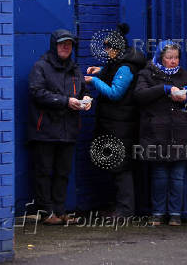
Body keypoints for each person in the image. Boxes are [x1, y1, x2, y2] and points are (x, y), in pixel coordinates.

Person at [134, 40, 187, 226]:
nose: (173, 61)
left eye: (176, 57)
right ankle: (157, 213)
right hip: (156, 132)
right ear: (160, 58)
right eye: (169, 58)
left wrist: (185, 98)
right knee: (160, 176)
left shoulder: (185, 76)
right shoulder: (147, 74)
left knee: (178, 176)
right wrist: (163, 89)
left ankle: (175, 214)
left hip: (181, 132)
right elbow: (139, 95)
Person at [28, 29, 92, 225]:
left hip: (68, 130)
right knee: (44, 173)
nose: (66, 47)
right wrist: (66, 101)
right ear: (54, 45)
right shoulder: (41, 66)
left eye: (69, 44)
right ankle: (47, 214)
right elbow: (37, 92)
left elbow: (83, 91)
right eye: (62, 43)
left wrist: (86, 100)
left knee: (63, 173)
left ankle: (60, 211)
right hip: (45, 130)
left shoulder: (74, 68)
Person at [85, 24, 146, 218]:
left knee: (121, 168)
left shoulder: (127, 67)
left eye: (108, 48)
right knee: (115, 166)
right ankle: (120, 207)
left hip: (121, 125)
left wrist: (92, 81)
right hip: (115, 123)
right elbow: (114, 73)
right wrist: (100, 70)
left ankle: (126, 210)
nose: (106, 52)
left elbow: (115, 93)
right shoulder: (121, 63)